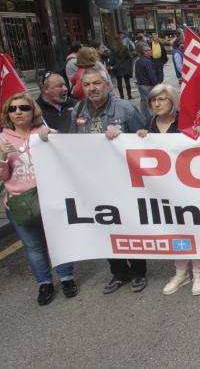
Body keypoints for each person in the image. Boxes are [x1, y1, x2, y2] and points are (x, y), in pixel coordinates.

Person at [50, 65, 148, 293]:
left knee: (129, 227)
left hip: (122, 182)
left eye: (96, 83)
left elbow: (145, 140)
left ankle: (138, 272)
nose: (92, 88)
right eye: (86, 84)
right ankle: (118, 272)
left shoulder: (125, 109)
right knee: (104, 229)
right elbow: (71, 144)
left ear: (107, 84)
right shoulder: (78, 111)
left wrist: (125, 138)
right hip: (92, 184)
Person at [2, 94, 78, 305]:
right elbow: (3, 176)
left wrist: (52, 134)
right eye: (12, 108)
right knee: (33, 246)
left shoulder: (42, 133)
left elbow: (63, 155)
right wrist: (1, 157)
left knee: (58, 239)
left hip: (48, 196)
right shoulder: (2, 138)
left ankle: (66, 278)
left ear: (32, 111)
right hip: (20, 201)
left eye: (23, 107)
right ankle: (44, 283)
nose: (18, 112)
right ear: (7, 114)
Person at [134, 85, 200, 295]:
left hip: (187, 187)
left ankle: (199, 271)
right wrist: (140, 137)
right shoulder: (149, 124)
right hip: (161, 189)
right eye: (153, 100)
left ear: (173, 102)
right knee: (174, 229)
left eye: (162, 99)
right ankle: (181, 272)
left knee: (192, 227)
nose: (157, 104)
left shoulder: (184, 123)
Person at [134, 43, 160, 121]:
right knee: (149, 103)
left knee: (144, 103)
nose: (151, 51)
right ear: (144, 52)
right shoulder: (147, 62)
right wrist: (156, 84)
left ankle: (144, 117)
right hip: (147, 86)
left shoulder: (138, 60)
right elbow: (151, 75)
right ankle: (150, 119)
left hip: (141, 85)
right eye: (149, 50)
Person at [110, 34, 133, 99]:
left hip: (117, 66)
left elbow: (111, 59)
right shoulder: (125, 47)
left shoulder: (113, 48)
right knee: (127, 81)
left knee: (119, 82)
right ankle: (129, 95)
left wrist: (111, 65)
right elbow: (129, 56)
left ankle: (122, 96)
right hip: (125, 66)